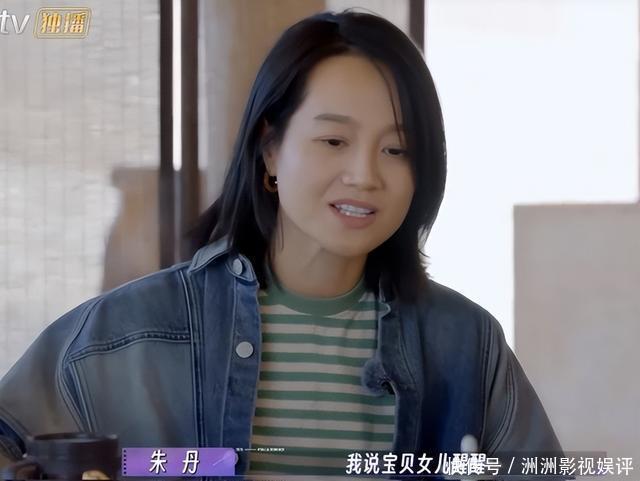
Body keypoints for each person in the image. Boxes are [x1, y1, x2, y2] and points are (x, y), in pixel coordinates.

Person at [0, 9, 564, 479]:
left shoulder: (464, 344)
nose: (365, 175)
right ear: (270, 150)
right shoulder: (136, 329)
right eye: (334, 140)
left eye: (397, 150)